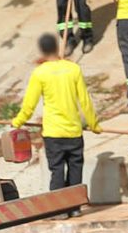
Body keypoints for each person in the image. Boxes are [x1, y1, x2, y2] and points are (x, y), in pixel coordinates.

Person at [8, 32, 101, 197]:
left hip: (53, 133)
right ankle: (75, 206)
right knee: (75, 167)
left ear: (42, 51)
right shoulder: (73, 69)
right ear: (58, 48)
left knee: (56, 169)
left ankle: (60, 209)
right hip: (74, 131)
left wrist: (17, 121)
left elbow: (29, 105)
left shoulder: (40, 73)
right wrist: (93, 124)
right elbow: (85, 101)